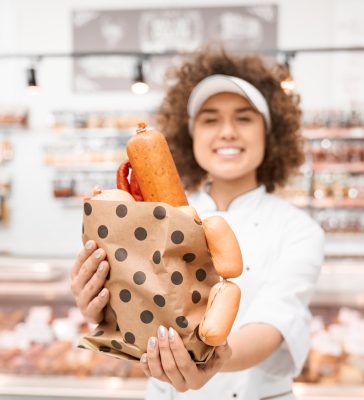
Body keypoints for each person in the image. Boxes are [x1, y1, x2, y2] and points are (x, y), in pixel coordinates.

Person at [70, 47, 324, 400]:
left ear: (271, 134)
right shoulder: (154, 215)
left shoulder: (297, 229)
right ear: (189, 134)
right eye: (210, 119)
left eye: (244, 117)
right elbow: (139, 305)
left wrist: (219, 356)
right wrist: (101, 305)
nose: (227, 132)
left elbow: (275, 322)